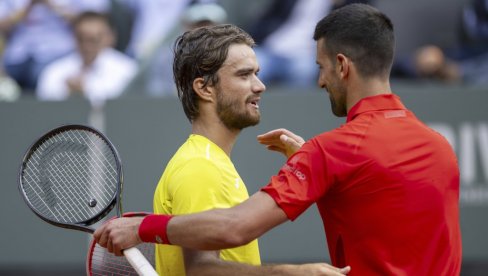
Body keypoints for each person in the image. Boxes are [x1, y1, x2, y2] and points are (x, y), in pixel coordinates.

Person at [94, 4, 462, 275]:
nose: (320, 81)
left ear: (342, 66)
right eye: (245, 74)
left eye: (321, 68)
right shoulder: (440, 147)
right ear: (203, 89)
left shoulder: (330, 153)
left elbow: (234, 226)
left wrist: (142, 228)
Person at [100, 24, 350, 275]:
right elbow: (201, 270)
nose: (260, 85)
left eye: (257, 73)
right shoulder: (200, 167)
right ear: (204, 88)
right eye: (244, 75)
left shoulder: (208, 161)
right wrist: (294, 273)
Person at [0, 0, 110, 93]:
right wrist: (29, 6)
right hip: (16, 55)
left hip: (58, 53)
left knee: (46, 77)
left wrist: (51, 5)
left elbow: (93, 21)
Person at [36, 11, 137, 107]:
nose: (87, 46)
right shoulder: (55, 70)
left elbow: (122, 106)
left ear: (109, 38)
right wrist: (67, 93)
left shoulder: (126, 70)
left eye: (93, 40)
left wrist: (86, 91)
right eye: (81, 39)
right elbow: (44, 103)